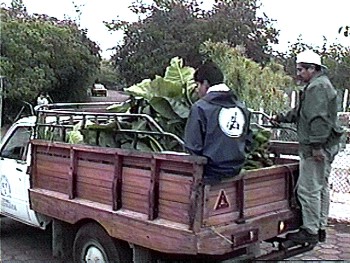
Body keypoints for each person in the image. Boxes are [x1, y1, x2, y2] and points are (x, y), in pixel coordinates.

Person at [272, 50, 343, 244]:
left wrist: (317, 146)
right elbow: (302, 112)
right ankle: (319, 227)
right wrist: (281, 117)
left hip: (318, 148)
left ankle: (310, 230)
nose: (298, 73)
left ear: (313, 69)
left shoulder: (317, 88)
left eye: (301, 69)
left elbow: (318, 119)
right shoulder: (318, 85)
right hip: (326, 144)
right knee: (320, 188)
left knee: (308, 189)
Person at [184, 62, 252, 184]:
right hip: (236, 170)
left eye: (197, 85)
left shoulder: (200, 108)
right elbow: (248, 141)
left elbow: (193, 148)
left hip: (210, 174)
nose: (197, 90)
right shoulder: (242, 109)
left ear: (205, 83)